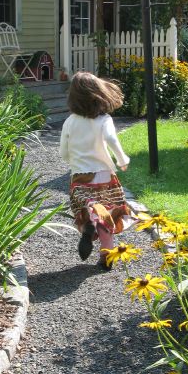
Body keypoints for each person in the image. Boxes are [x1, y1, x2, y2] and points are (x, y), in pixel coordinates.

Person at [59, 71, 131, 270]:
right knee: (107, 215)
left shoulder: (70, 122)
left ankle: (89, 229)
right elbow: (111, 139)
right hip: (103, 175)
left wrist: (74, 161)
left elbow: (63, 152)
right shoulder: (104, 120)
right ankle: (106, 257)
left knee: (86, 211)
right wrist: (122, 159)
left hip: (80, 177)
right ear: (99, 94)